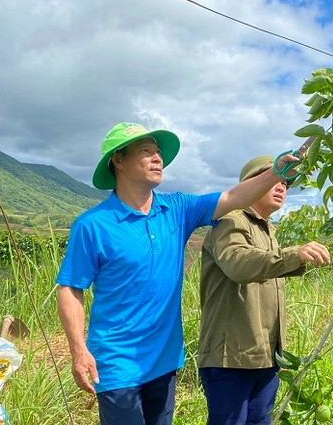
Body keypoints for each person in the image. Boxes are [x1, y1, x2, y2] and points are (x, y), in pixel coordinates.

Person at [56, 123, 299, 425]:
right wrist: (78, 350)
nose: (158, 158)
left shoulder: (177, 209)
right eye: (146, 152)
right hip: (117, 362)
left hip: (165, 359)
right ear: (118, 161)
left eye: (158, 152)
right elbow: (70, 288)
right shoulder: (93, 225)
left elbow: (234, 197)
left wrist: (277, 172)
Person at [197, 155, 331, 425]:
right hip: (230, 359)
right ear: (251, 184)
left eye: (286, 182)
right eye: (273, 179)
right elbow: (239, 264)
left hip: (264, 359)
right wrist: (295, 255)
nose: (281, 186)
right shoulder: (230, 221)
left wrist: (277, 352)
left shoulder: (268, 230)